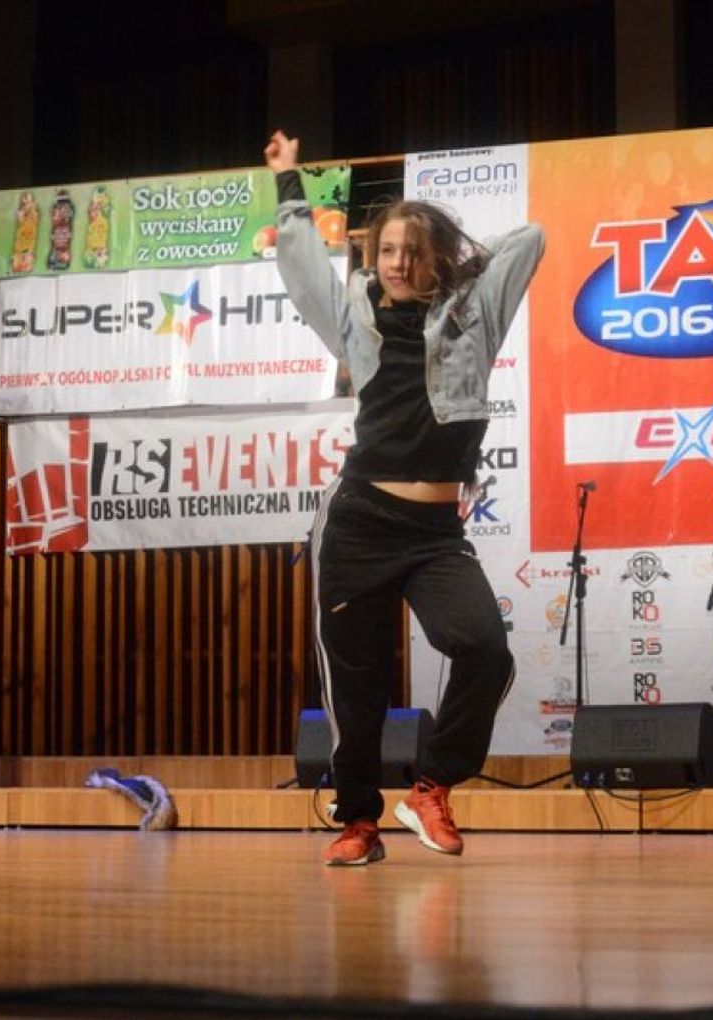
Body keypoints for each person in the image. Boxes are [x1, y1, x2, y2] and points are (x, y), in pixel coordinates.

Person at [265, 130, 545, 866]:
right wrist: (289, 181)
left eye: (413, 252)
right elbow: (300, 265)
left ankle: (432, 787)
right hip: (359, 522)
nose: (396, 263)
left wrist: (457, 261)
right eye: (386, 250)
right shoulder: (354, 317)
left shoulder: (474, 316)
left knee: (483, 649)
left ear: (436, 258)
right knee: (355, 686)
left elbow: (531, 239)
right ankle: (358, 822)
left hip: (433, 533)